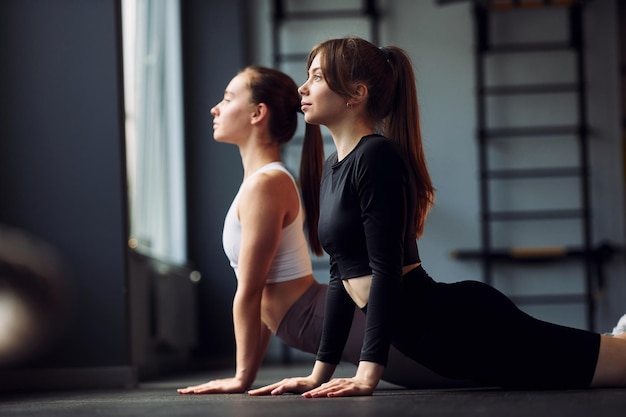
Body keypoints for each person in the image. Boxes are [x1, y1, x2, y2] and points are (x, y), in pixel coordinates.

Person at [247, 37, 626, 398]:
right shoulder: (334, 166)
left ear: (356, 95)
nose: (302, 88)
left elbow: (386, 269)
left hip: (459, 327)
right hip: (433, 340)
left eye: (316, 76)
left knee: (610, 366)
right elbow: (339, 274)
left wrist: (367, 371)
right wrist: (319, 372)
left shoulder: (376, 156)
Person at [177, 65, 468, 394]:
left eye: (228, 98)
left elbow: (250, 291)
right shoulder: (261, 182)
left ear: (258, 113)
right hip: (312, 317)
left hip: (315, 317)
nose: (215, 108)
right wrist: (245, 374)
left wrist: (241, 377)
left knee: (464, 367)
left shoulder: (267, 184)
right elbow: (257, 299)